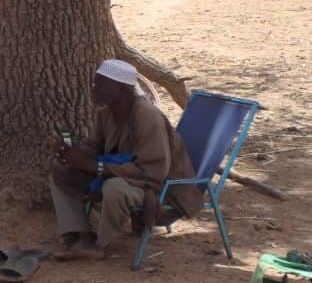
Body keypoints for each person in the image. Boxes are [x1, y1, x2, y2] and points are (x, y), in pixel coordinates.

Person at [48, 59, 202, 261]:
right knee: (60, 170)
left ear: (120, 89)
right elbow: (95, 146)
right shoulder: (107, 113)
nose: (94, 89)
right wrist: (72, 152)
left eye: (101, 85)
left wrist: (96, 166)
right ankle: (80, 234)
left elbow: (154, 172)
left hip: (158, 187)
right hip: (123, 174)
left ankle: (100, 245)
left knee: (115, 188)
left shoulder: (147, 116)